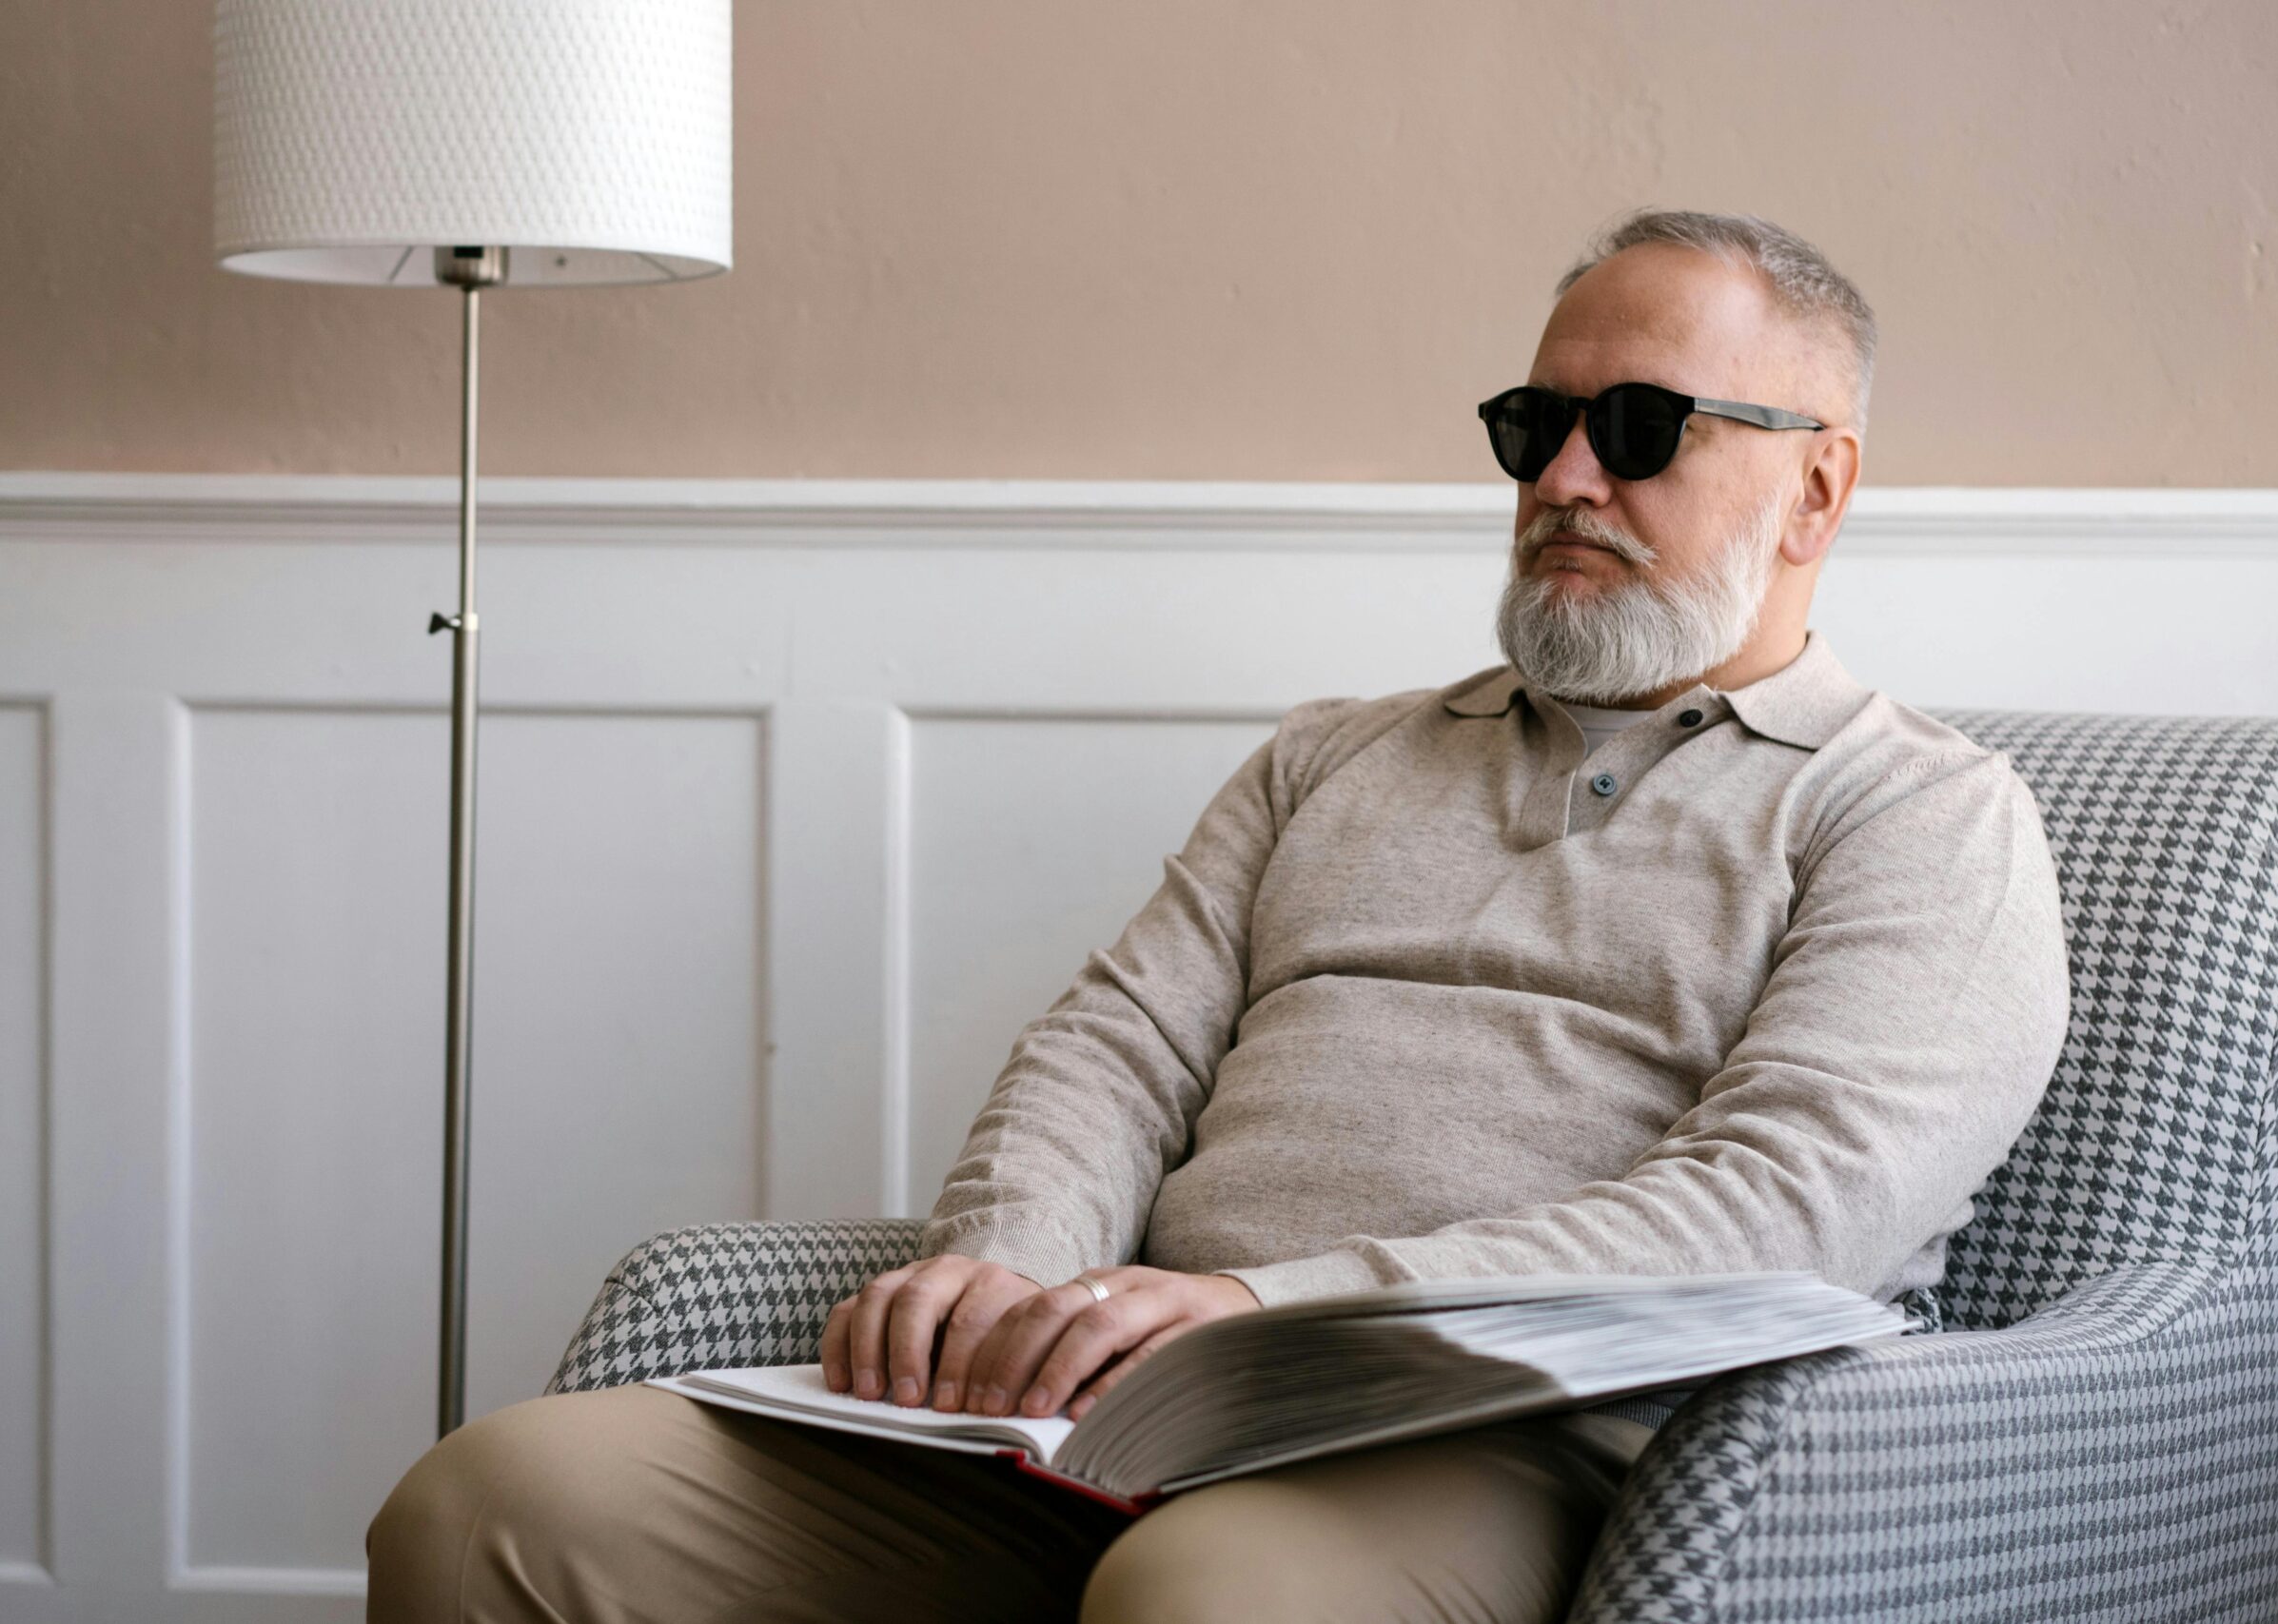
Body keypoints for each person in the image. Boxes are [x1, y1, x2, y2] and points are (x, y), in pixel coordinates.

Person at [365, 206, 2072, 1623]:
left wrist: (1281, 1313)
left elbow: (1784, 1214)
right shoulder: (1335, 758)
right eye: (1527, 428)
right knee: (492, 1500)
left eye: (1636, 429)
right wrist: (1008, 1262)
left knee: (1208, 1596)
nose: (1563, 477)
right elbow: (1118, 1045)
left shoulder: (1921, 815)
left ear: (1819, 491)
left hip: (1515, 1446)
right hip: (1110, 1409)